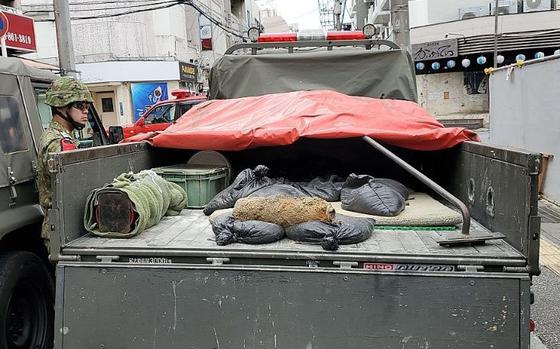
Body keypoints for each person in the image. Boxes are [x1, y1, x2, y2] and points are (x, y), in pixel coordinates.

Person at [37, 76, 93, 253]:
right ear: (61, 106)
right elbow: (72, 188)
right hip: (64, 228)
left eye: (87, 106)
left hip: (65, 224)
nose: (86, 112)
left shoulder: (61, 136)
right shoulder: (58, 142)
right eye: (79, 106)